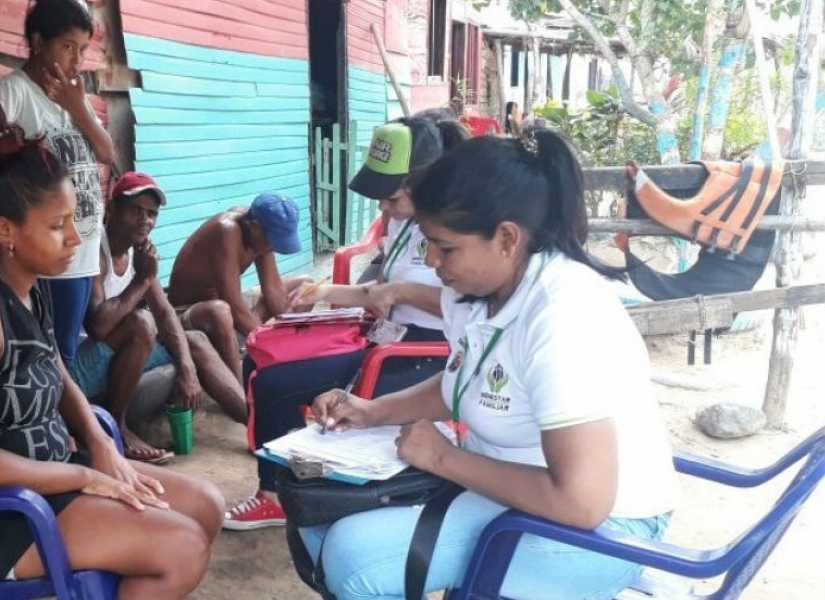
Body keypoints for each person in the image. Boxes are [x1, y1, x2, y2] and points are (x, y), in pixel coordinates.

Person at [299, 129, 678, 599]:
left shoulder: (564, 317)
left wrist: (442, 457)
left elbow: (582, 502)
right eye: (427, 243)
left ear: (506, 238)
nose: (433, 261)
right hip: (506, 488)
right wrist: (370, 411)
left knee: (354, 561)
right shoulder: (477, 293)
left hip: (602, 531)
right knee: (313, 514)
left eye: (446, 247)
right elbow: (466, 381)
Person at [0, 100, 223, 597]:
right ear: (5, 231)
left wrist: (100, 441)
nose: (73, 238)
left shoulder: (25, 282)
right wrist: (84, 474)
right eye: (55, 225)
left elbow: (53, 367)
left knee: (207, 505)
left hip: (34, 482)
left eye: (73, 220)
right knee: (180, 547)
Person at [223, 112, 467, 531]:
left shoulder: (458, 228)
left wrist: (403, 293)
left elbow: (471, 307)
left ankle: (300, 492)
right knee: (265, 368)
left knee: (302, 396)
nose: (383, 207)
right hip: (384, 342)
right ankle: (280, 488)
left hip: (424, 355)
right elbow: (379, 293)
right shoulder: (403, 225)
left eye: (391, 198)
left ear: (424, 183)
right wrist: (326, 294)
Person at [71, 171, 248, 463]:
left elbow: (166, 314)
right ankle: (117, 427)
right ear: (112, 210)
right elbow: (98, 326)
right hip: (79, 369)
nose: (145, 221)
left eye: (152, 214)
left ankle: (257, 426)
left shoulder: (137, 252)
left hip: (110, 358)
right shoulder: (95, 251)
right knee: (141, 322)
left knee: (195, 340)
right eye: (136, 211)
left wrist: (188, 370)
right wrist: (142, 280)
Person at [0, 0, 114, 368]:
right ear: (38, 41)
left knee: (66, 352)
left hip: (81, 249)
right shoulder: (13, 92)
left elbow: (107, 152)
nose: (77, 60)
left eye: (83, 49)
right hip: (42, 252)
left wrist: (78, 108)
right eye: (68, 47)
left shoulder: (71, 96)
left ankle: (66, 424)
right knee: (45, 355)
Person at [166, 193, 311, 336]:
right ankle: (249, 339)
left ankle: (252, 335)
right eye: (272, 242)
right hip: (196, 309)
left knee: (306, 287)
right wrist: (268, 340)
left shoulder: (259, 227)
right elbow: (233, 304)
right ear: (254, 227)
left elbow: (272, 288)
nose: (273, 248)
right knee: (223, 313)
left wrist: (292, 328)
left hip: (228, 303)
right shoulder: (226, 230)